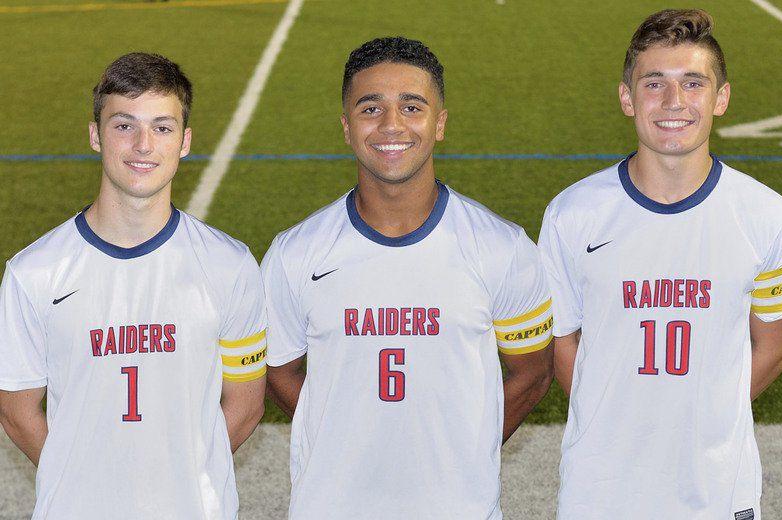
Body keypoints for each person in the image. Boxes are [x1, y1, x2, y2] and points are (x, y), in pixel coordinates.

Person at [261, 36, 554, 519]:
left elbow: (533, 372)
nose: (392, 125)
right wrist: (344, 438)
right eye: (371, 108)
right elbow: (278, 371)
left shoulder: (501, 248)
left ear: (440, 123)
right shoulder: (294, 254)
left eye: (412, 107)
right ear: (347, 127)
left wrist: (462, 452)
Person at [539, 9, 782, 519]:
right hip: (602, 492)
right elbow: (560, 342)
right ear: (627, 98)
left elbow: (774, 346)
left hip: (716, 492)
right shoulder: (572, 215)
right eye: (654, 83)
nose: (674, 101)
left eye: (693, 83)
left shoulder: (766, 217)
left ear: (721, 98)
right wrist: (614, 414)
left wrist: (701, 417)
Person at [0, 53, 267, 519]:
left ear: (185, 141)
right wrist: (84, 480)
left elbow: (245, 405)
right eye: (124, 125)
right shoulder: (34, 272)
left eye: (162, 127)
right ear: (95, 135)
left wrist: (180, 477)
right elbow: (16, 411)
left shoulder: (231, 266)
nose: (143, 145)